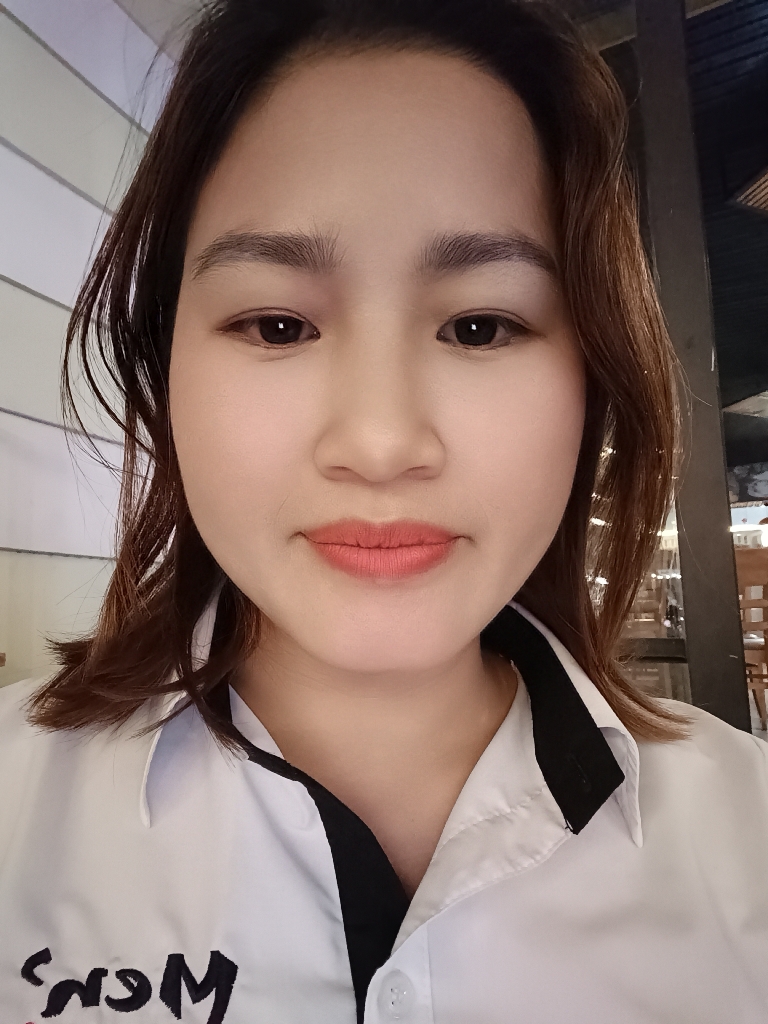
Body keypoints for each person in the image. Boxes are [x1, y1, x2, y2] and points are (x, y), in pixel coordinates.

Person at [2, 0, 767, 1020]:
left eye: (479, 326)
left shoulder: (747, 843)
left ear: (593, 375)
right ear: (165, 364)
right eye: (278, 325)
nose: (379, 441)